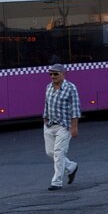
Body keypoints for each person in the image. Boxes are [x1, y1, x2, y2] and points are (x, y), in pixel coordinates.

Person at [42, 63, 80, 191]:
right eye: (51, 74)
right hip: (49, 125)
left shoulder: (71, 88)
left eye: (55, 74)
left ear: (63, 74)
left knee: (59, 152)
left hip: (64, 126)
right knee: (50, 152)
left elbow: (75, 109)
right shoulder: (49, 87)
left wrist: (74, 127)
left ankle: (56, 182)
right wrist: (45, 120)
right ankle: (71, 167)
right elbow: (47, 105)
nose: (53, 76)